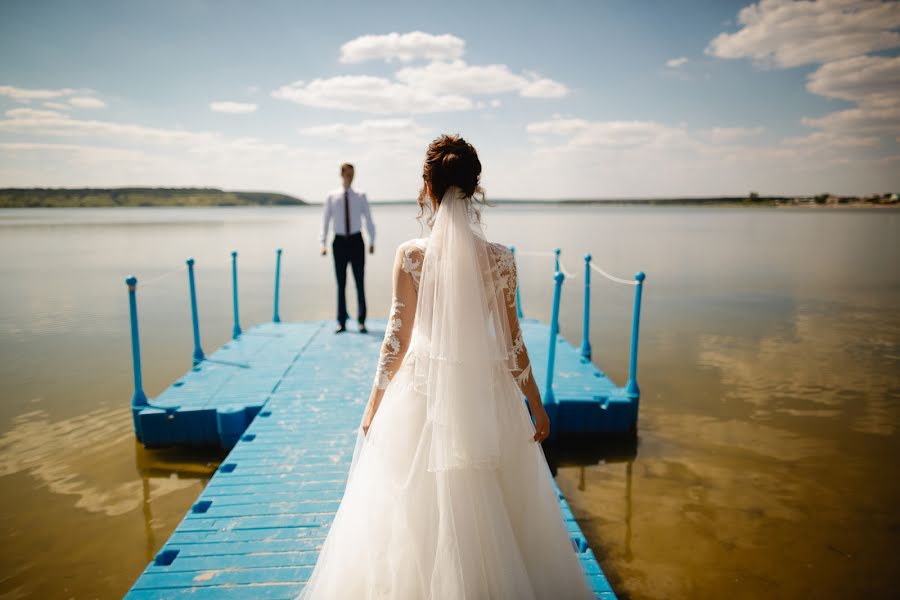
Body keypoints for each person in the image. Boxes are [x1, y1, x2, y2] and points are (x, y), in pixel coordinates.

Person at [295, 135, 595, 599]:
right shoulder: (500, 259)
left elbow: (396, 341)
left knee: (413, 515)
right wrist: (535, 405)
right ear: (474, 189)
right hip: (487, 396)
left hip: (421, 395)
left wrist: (374, 405)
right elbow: (514, 344)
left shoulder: (411, 256)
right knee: (499, 507)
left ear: (427, 189)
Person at [319, 162, 375, 334]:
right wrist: (323, 243)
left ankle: (361, 321)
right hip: (339, 243)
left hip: (357, 241)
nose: (350, 177)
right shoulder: (332, 196)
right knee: (341, 283)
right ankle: (341, 321)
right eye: (347, 174)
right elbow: (325, 221)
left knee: (359, 282)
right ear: (342, 174)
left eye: (352, 174)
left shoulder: (360, 196)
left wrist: (372, 241)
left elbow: (368, 219)